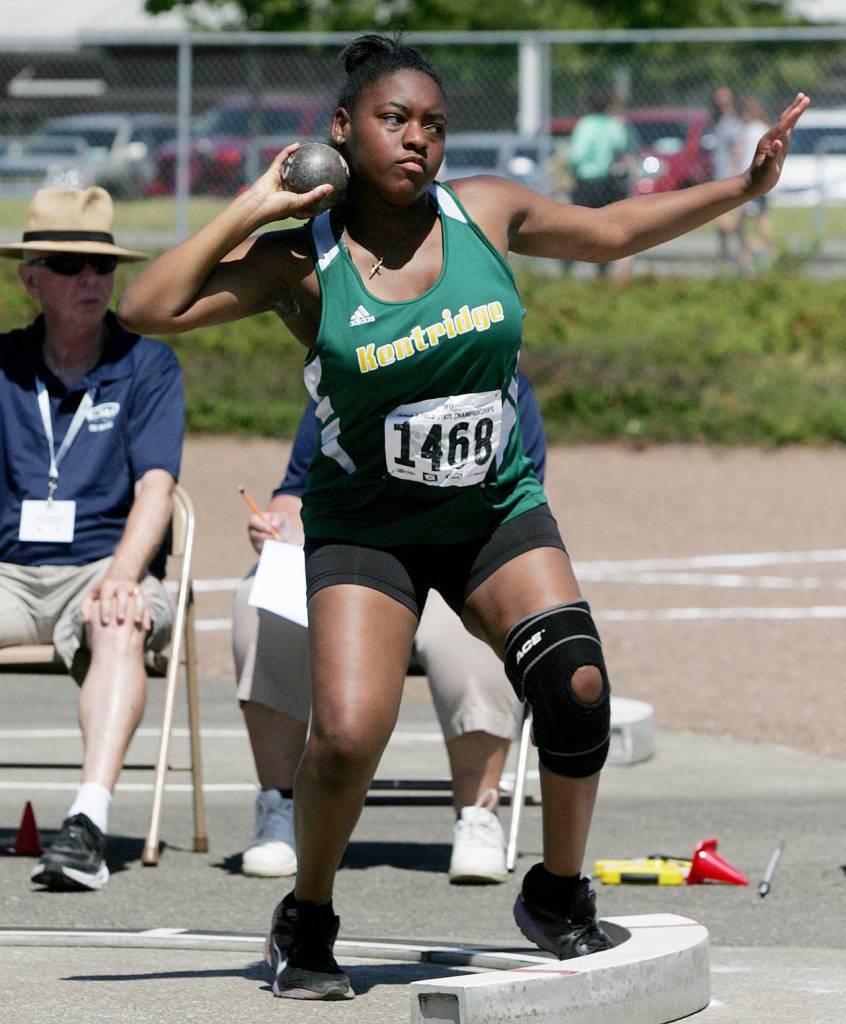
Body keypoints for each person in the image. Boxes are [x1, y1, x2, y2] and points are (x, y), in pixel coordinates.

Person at [117, 33, 808, 1000]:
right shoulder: (298, 263)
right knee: (352, 734)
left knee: (576, 684)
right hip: (368, 526)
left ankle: (558, 896)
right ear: (342, 131)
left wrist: (742, 187)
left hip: (492, 509)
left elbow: (610, 231)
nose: (416, 141)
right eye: (394, 120)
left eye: (433, 125)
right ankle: (307, 915)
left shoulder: (480, 209)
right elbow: (144, 307)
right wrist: (257, 202)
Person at [233, 371, 545, 885]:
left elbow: (517, 505)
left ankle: (478, 812)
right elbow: (295, 492)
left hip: (455, 564)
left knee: (482, 625)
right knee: (257, 597)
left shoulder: (501, 380)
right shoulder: (345, 376)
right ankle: (280, 806)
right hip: (354, 565)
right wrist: (279, 526)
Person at [0, 186, 184, 891]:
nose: (90, 280)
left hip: (105, 562)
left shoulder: (148, 366)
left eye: (102, 268)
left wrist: (123, 575)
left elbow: (156, 491)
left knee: (119, 618)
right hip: (11, 571)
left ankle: (86, 825)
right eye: (70, 263)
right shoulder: (4, 364)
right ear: (31, 276)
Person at [568, 86, 634, 279]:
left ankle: (567, 266)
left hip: (586, 181)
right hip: (607, 182)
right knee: (604, 226)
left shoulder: (585, 125)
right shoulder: (613, 124)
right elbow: (620, 146)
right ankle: (602, 271)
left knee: (576, 225)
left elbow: (576, 156)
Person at [738, 95, 776, 273]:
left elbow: (741, 157)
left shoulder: (747, 130)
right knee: (763, 221)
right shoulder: (764, 128)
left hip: (751, 181)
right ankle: (770, 255)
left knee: (746, 224)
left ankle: (747, 261)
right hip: (765, 181)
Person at [710, 85, 745, 263]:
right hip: (719, 175)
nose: (720, 100)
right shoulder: (719, 120)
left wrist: (734, 175)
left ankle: (751, 252)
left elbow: (737, 149)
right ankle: (728, 257)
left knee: (727, 221)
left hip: (729, 176)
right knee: (727, 222)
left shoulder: (732, 121)